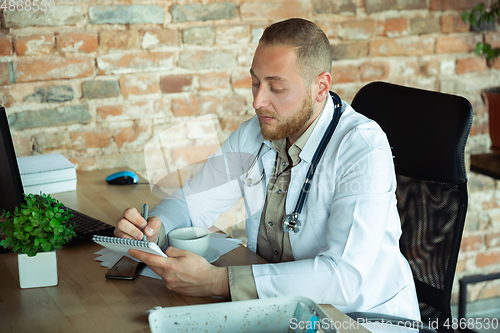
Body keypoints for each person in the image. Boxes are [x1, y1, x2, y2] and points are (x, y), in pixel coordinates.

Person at [114, 18, 420, 319]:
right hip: (280, 311)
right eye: (255, 83)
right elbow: (190, 204)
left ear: (321, 87)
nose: (258, 101)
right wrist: (155, 229)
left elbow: (344, 277)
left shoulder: (361, 148)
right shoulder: (253, 134)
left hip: (358, 318)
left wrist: (216, 281)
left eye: (276, 88)